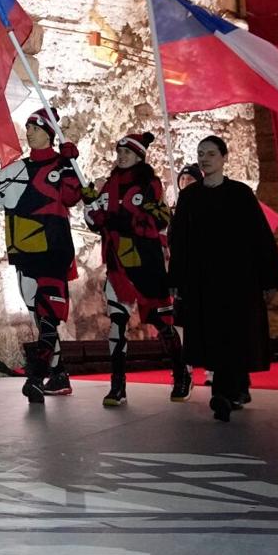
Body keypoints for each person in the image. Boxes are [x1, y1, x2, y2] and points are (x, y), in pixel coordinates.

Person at [0, 108, 82, 402]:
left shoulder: (62, 165)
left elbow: (72, 196)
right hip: (25, 255)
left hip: (53, 252)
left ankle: (36, 378)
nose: (29, 132)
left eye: (35, 128)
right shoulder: (18, 170)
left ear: (48, 133)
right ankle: (59, 375)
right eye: (29, 128)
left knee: (48, 317)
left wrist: (70, 165)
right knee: (40, 317)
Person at [166, 135, 278, 422]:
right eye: (201, 153)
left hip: (239, 280)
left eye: (210, 153)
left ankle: (226, 392)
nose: (204, 158)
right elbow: (180, 241)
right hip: (203, 281)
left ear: (223, 158)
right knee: (215, 334)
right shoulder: (190, 197)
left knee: (235, 333)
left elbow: (260, 238)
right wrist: (177, 280)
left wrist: (270, 280)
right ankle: (230, 391)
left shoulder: (241, 194)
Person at [82, 132, 189, 407]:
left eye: (127, 152)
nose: (121, 156)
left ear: (139, 156)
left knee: (161, 322)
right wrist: (90, 205)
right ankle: (117, 385)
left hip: (146, 264)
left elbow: (161, 218)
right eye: (119, 152)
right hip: (117, 264)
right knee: (117, 325)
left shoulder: (150, 184)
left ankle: (181, 373)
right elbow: (96, 222)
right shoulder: (109, 186)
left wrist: (125, 221)